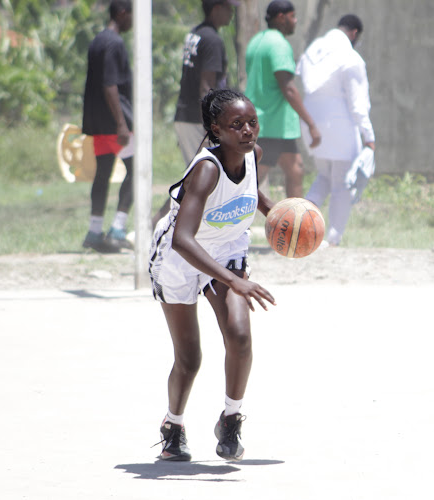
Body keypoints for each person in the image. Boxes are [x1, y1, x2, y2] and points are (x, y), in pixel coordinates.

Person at [149, 88, 276, 462]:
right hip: (180, 256)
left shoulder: (253, 155)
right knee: (190, 359)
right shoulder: (206, 170)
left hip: (227, 248)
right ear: (215, 130)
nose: (247, 131)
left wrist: (291, 219)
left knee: (239, 335)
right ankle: (173, 426)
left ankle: (231, 418)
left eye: (251, 122)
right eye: (236, 125)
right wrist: (235, 280)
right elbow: (182, 240)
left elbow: (254, 197)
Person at [153, 0, 239, 227]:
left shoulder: (196, 34)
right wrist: (212, 123)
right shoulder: (212, 39)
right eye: (229, 8)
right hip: (198, 118)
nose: (231, 13)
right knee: (197, 177)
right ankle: (161, 222)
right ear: (216, 8)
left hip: (187, 114)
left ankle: (168, 222)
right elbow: (206, 86)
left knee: (197, 175)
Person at [296, 14, 375, 246]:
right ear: (354, 33)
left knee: (324, 177)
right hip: (340, 125)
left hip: (311, 121)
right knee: (341, 184)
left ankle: (299, 224)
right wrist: (369, 137)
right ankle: (333, 239)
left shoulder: (314, 48)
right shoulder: (351, 57)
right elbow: (358, 104)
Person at [245, 0, 321, 198]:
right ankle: (228, 220)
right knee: (253, 181)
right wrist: (311, 124)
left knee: (295, 169)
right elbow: (288, 88)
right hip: (271, 123)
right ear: (281, 17)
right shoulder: (279, 44)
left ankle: (294, 224)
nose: (295, 21)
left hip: (270, 123)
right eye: (293, 16)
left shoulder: (256, 41)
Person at [81, 0, 135, 253]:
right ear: (122, 13)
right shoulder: (114, 43)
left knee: (102, 175)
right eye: (132, 15)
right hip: (116, 124)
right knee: (138, 172)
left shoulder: (97, 40)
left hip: (98, 122)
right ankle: (117, 229)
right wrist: (122, 125)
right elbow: (109, 85)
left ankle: (94, 231)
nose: (133, 21)